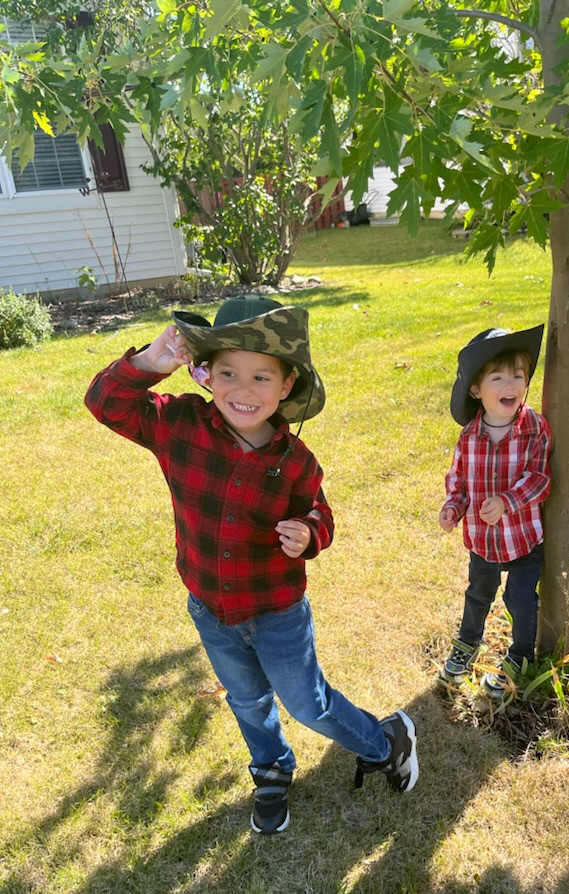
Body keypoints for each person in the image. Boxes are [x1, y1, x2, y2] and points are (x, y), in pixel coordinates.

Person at [85, 295, 418, 835]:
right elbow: (105, 404)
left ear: (287, 386)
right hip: (210, 608)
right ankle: (271, 767)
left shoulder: (296, 461)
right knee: (245, 698)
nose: (242, 390)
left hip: (277, 612)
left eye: (261, 377)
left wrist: (309, 533)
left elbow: (320, 513)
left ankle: (385, 741)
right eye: (228, 373)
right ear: (205, 374)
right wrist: (148, 362)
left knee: (307, 703)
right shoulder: (179, 424)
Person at [439, 325, 551, 698]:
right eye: (498, 378)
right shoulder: (469, 437)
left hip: (523, 539)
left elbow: (540, 479)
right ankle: (468, 642)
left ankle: (520, 656)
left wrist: (507, 501)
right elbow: (459, 482)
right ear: (476, 390)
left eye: (518, 376)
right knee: (478, 594)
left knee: (520, 599)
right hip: (483, 540)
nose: (510, 385)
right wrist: (453, 507)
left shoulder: (534, 428)